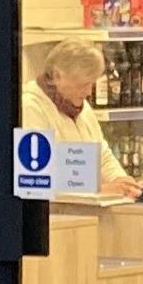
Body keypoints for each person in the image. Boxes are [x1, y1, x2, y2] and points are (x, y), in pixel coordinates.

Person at [20, 37, 111, 191]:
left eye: (91, 84)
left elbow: (103, 156)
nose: (88, 92)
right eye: (82, 85)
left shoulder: (83, 108)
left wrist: (123, 181)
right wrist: (100, 189)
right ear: (57, 76)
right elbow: (36, 177)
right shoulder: (30, 107)